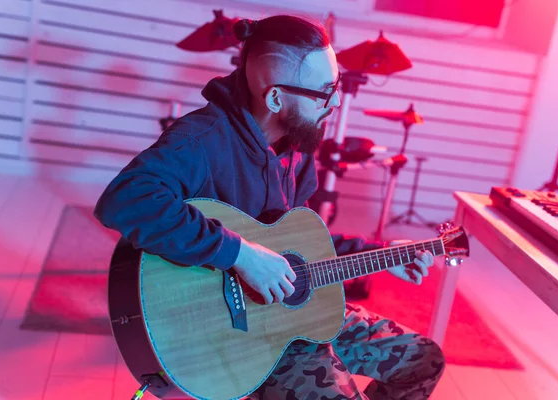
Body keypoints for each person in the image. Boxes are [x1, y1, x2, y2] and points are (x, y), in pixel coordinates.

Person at [94, 15, 445, 400]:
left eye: (337, 85)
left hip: (293, 317)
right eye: (325, 90)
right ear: (276, 98)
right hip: (233, 337)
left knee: (424, 359)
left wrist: (378, 255)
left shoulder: (297, 146)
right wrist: (240, 255)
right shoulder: (201, 140)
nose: (338, 101)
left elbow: (302, 243)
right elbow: (124, 200)